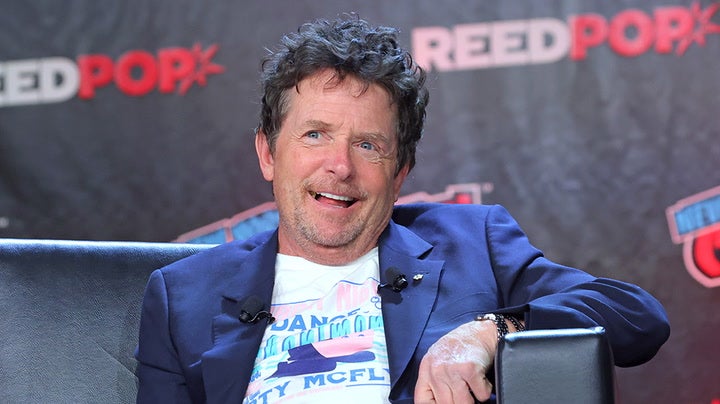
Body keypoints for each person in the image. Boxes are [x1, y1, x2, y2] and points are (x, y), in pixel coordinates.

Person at [135, 15, 670, 404]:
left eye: (368, 145)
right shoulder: (182, 295)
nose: (339, 166)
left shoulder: (473, 243)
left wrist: (489, 331)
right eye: (315, 135)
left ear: (400, 174)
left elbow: (636, 316)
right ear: (268, 154)